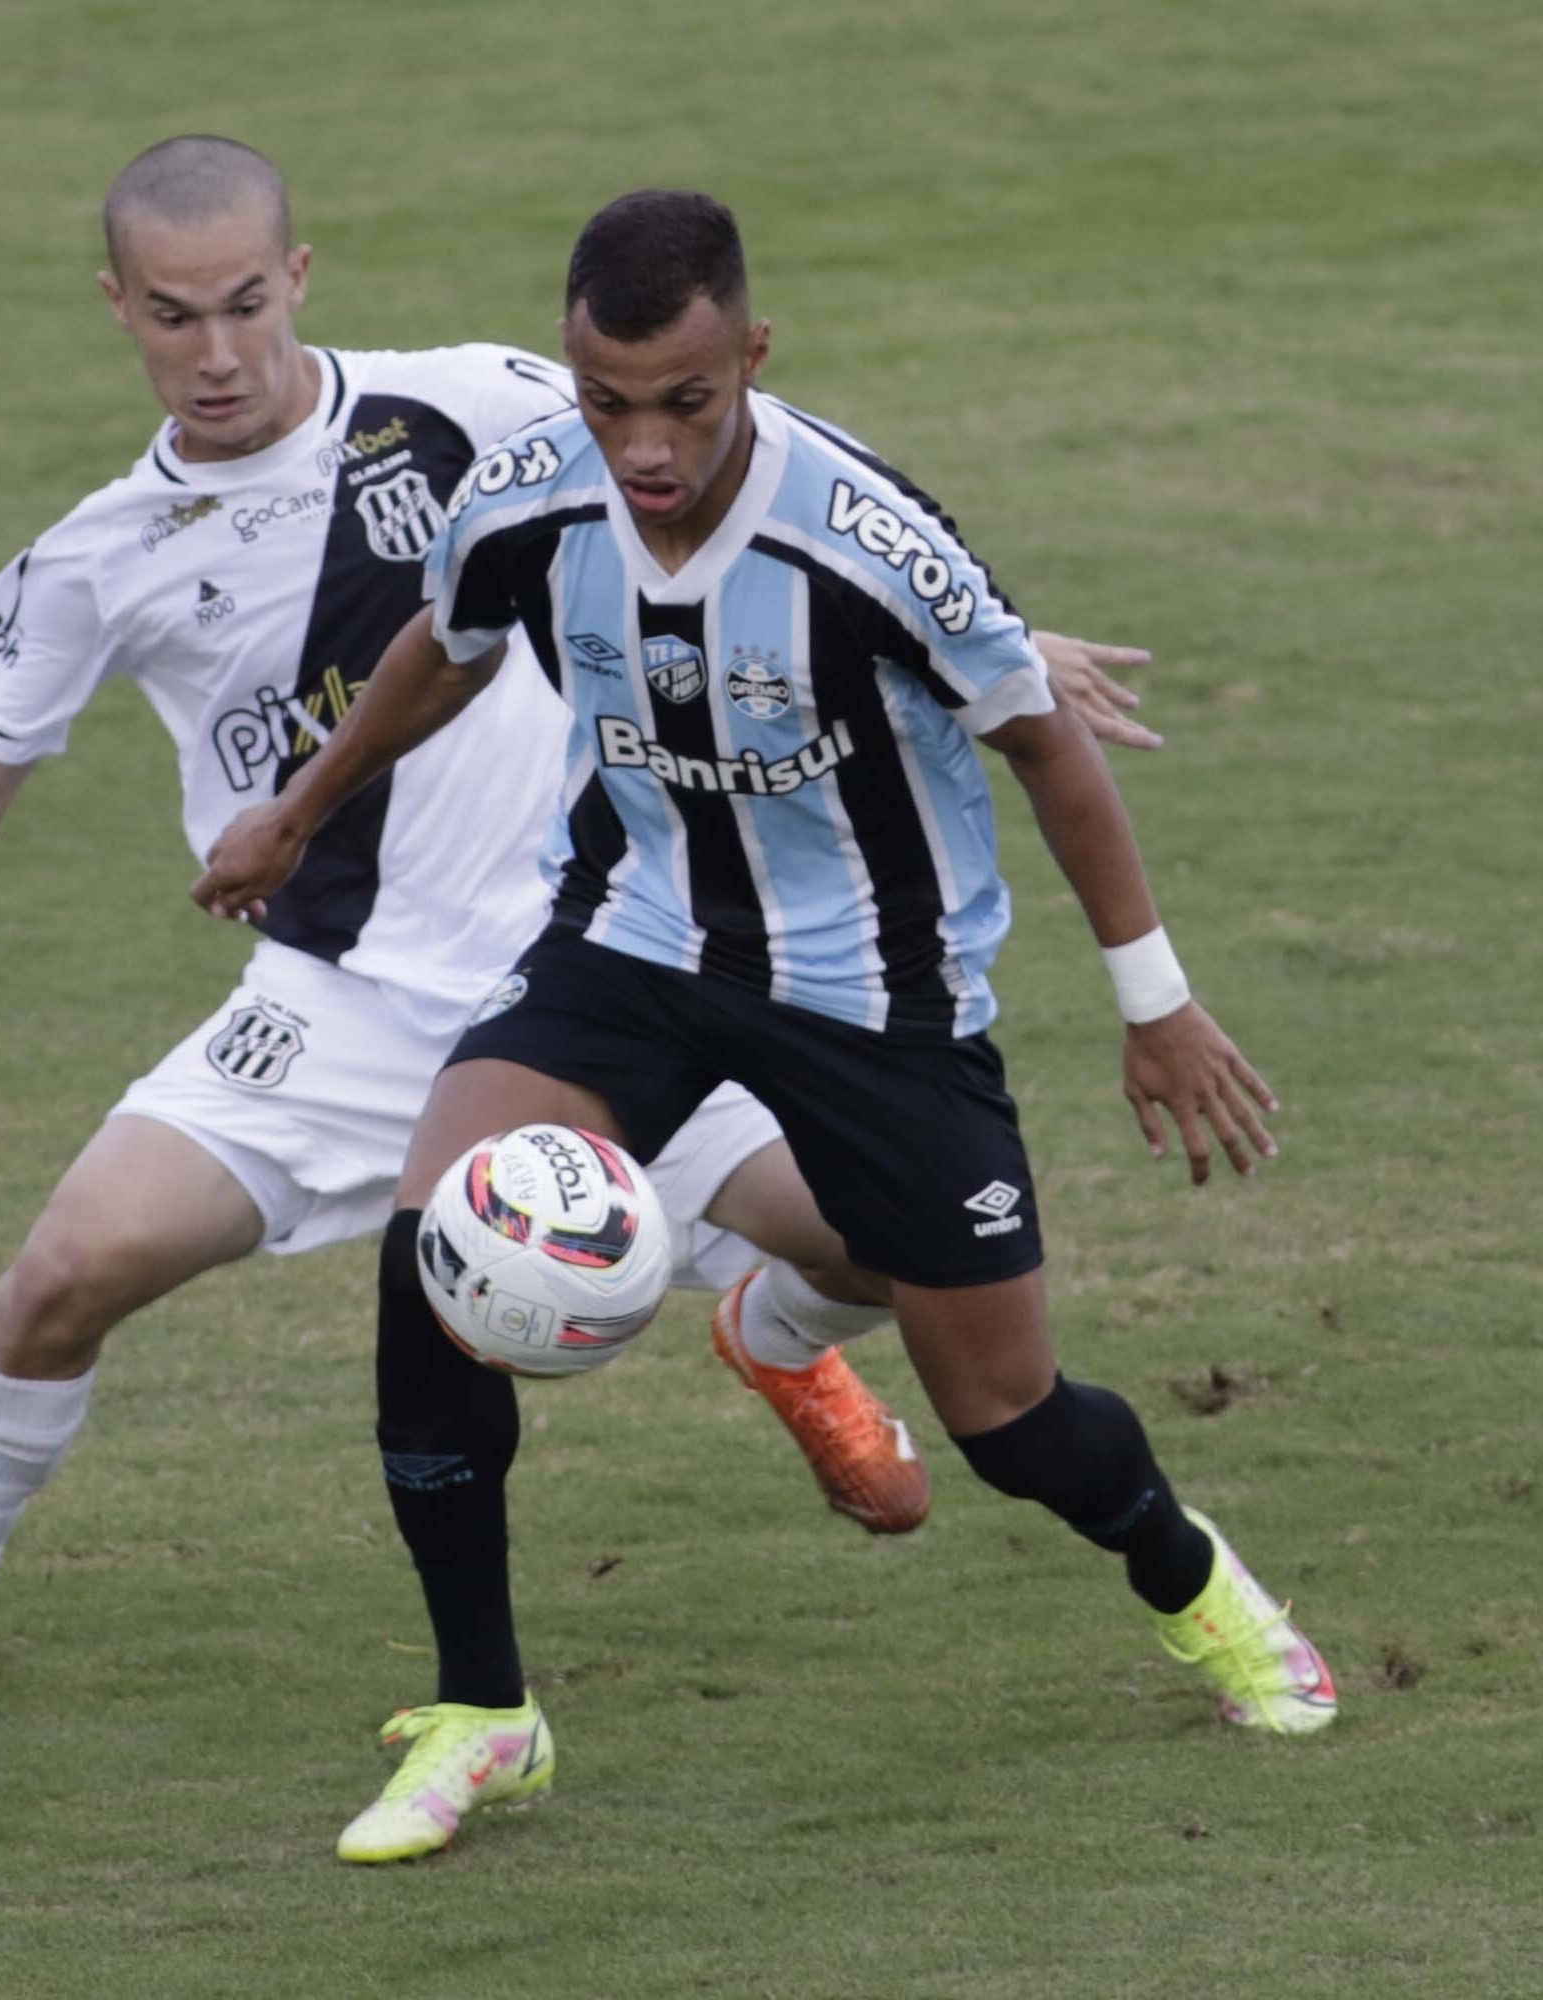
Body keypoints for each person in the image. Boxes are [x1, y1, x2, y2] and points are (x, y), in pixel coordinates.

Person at [0, 138, 1150, 1724]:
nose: (218, 351)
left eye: (246, 303)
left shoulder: (476, 402)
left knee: (892, 1251)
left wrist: (989, 630)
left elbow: (762, 454)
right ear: (118, 310)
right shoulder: (96, 556)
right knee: (62, 1274)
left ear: (297, 279)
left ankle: (775, 1334)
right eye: (174, 316)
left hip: (617, 978)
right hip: (339, 1009)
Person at [201, 187, 1339, 1866]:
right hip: (635, 935)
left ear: (750, 355)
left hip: (876, 988)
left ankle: (1196, 1584)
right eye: (604, 403)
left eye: (683, 402)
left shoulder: (864, 540)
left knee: (1011, 1424)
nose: (641, 448)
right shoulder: (528, 493)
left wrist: (1153, 1004)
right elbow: (443, 647)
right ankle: (483, 1713)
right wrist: (301, 808)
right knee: (435, 1238)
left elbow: (1046, 745)